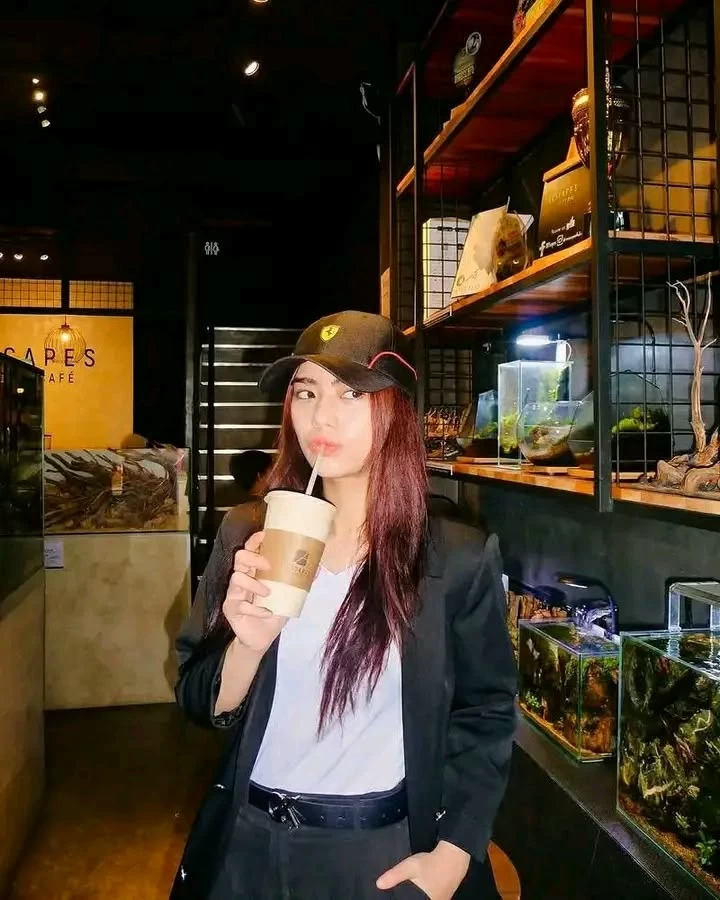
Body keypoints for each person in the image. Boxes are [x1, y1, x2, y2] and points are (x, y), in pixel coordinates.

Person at [171, 310, 517, 900]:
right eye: (306, 392)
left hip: (378, 853)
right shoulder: (249, 535)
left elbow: (485, 711)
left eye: (351, 393)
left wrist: (454, 853)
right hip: (249, 844)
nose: (321, 417)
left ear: (396, 409)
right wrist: (246, 647)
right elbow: (198, 699)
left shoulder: (455, 557)